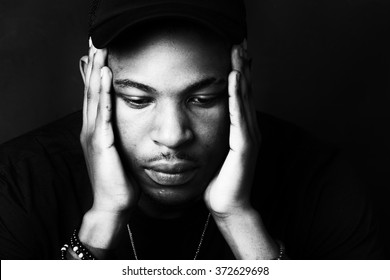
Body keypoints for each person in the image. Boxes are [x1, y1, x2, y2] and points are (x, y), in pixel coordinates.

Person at [0, 0, 383, 260]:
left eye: (204, 98)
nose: (172, 135)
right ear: (91, 85)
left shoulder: (320, 180)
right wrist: (102, 221)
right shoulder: (16, 182)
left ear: (243, 79)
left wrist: (239, 219)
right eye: (137, 99)